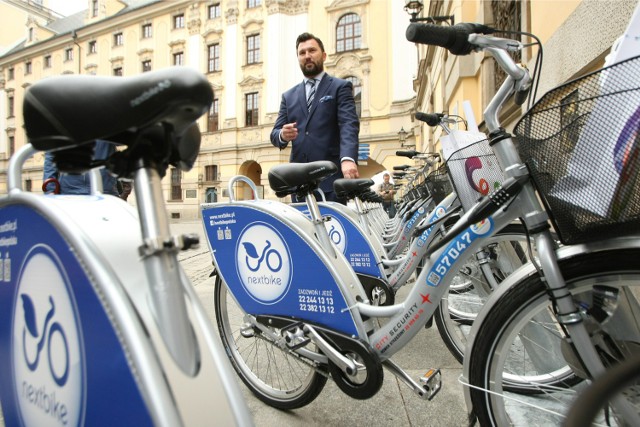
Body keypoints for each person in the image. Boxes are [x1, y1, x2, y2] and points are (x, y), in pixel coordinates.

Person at [270, 32, 360, 204]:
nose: (307, 56)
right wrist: (282, 135)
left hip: (331, 178)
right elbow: (274, 134)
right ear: (298, 58)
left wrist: (348, 159)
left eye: (312, 50)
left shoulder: (340, 87)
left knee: (333, 229)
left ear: (323, 55)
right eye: (302, 53)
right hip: (299, 183)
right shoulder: (288, 96)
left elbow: (349, 124)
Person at [43, 140, 119, 196]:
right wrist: (50, 190)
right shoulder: (65, 121)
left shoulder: (107, 121)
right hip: (69, 192)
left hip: (105, 190)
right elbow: (51, 153)